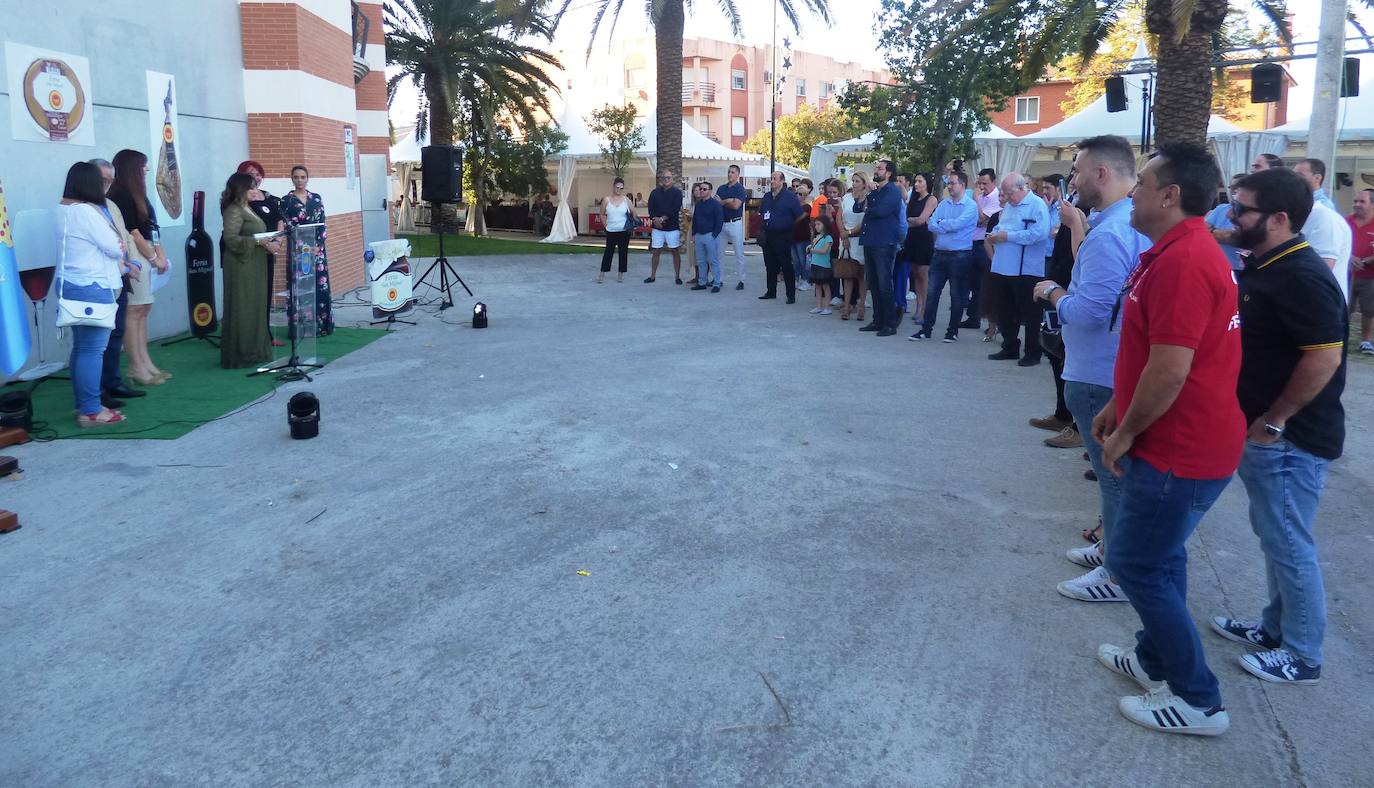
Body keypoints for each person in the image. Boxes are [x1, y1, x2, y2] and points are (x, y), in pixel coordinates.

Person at [1092, 142, 1242, 736]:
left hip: (1181, 447)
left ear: (1170, 195)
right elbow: (1151, 353)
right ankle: (1153, 658)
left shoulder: (1185, 261)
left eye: (1145, 182)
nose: (1134, 192)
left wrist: (1126, 431)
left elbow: (1173, 369)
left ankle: (1198, 698)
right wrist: (1115, 405)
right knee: (1162, 556)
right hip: (1181, 441)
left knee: (1134, 563)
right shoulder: (1174, 251)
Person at [1210, 166, 1347, 687]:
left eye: (1241, 208)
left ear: (1280, 218)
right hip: (1269, 430)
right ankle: (1273, 628)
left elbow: (1323, 358)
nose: (1230, 215)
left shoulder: (1303, 274)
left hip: (1293, 436)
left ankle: (1303, 653)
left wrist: (1275, 420)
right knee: (1273, 535)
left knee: (1289, 540)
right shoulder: (1270, 262)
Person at [1033, 135, 1151, 603]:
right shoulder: (1127, 224)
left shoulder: (1112, 230)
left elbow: (1089, 311)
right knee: (1116, 473)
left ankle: (1118, 572)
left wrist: (1052, 293)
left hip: (1098, 369)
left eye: (1078, 170)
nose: (1073, 180)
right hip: (1110, 366)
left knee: (1113, 474)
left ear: (1101, 173)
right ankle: (1112, 549)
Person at [58, 162, 130, 427]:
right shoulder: (86, 213)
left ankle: (84, 405)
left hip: (72, 284)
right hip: (92, 286)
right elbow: (114, 247)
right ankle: (90, 410)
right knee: (92, 349)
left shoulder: (62, 209)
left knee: (81, 348)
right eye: (102, 182)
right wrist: (119, 246)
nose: (105, 188)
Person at [106, 149, 170, 387]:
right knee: (134, 311)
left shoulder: (139, 194)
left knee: (144, 309)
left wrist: (160, 255)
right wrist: (154, 258)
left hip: (148, 256)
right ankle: (136, 366)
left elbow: (152, 228)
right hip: (135, 256)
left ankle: (146, 362)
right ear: (132, 168)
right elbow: (133, 232)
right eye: (143, 165)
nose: (147, 168)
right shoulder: (119, 195)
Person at [87, 158, 146, 411]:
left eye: (110, 181)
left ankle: (113, 382)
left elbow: (126, 238)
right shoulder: (82, 208)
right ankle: (96, 391)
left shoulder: (111, 204)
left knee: (117, 332)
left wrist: (135, 263)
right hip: (99, 279)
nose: (106, 186)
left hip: (121, 277)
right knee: (98, 339)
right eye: (102, 180)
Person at [1034, 174, 1087, 450]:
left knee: (1070, 355)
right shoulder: (1072, 203)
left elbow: (1084, 251)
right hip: (1058, 281)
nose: (1074, 176)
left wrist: (1075, 221)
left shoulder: (1088, 209)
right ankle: (1062, 413)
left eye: (1079, 170)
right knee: (1055, 351)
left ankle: (1080, 427)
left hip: (1071, 286)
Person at [985, 172, 1051, 366]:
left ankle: (1032, 352)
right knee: (1004, 309)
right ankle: (1010, 345)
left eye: (1009, 193)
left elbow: (1040, 233)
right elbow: (1002, 227)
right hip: (1003, 266)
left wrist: (1009, 236)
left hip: (1026, 269)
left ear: (1023, 188)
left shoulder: (1037, 205)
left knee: (1030, 313)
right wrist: (995, 234)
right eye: (1004, 193)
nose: (1007, 197)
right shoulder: (1009, 207)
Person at [220, 172, 280, 369]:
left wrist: (266, 240)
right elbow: (230, 239)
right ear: (241, 189)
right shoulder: (234, 210)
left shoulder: (247, 208)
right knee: (243, 306)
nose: (256, 191)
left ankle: (256, 350)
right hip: (241, 265)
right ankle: (241, 354)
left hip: (254, 263)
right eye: (252, 187)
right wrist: (258, 241)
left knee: (256, 305)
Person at [912, 170, 976, 342]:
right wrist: (944, 225)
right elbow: (931, 224)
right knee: (932, 293)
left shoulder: (970, 206)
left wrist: (942, 224)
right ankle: (926, 329)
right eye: (948, 183)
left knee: (956, 295)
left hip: (960, 254)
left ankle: (952, 331)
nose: (949, 186)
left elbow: (958, 224)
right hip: (939, 253)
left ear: (962, 185)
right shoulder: (944, 204)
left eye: (952, 183)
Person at [279, 165, 334, 335]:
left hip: (317, 251)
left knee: (319, 285)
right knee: (300, 287)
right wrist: (302, 245)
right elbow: (286, 225)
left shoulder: (316, 199)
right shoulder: (286, 201)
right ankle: (301, 327)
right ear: (292, 179)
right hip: (298, 250)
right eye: (296, 177)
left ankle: (322, 325)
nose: (299, 180)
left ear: (307, 178)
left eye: (303, 177)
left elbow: (322, 222)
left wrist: (318, 244)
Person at [237, 160, 284, 345]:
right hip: (249, 253)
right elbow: (244, 229)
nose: (255, 177)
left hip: (269, 252)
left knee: (265, 293)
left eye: (258, 174)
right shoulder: (238, 199)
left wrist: (278, 241)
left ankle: (265, 334)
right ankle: (247, 337)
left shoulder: (268, 197)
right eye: (250, 174)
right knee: (250, 295)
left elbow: (279, 219)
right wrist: (268, 244)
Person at [1292, 160, 1352, 301]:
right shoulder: (1303, 210)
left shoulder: (1323, 213)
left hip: (1319, 301)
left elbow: (1321, 269)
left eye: (1300, 175)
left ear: (1317, 178)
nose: (1294, 180)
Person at [857, 160, 904, 336]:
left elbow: (880, 211)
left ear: (889, 173)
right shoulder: (874, 191)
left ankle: (890, 323)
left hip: (884, 242)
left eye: (880, 168)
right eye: (876, 168)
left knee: (884, 284)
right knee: (874, 283)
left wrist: (868, 208)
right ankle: (878, 320)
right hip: (870, 240)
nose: (876, 170)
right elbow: (857, 207)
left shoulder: (892, 191)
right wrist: (865, 195)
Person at [758, 171, 803, 303]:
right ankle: (771, 291)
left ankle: (791, 295)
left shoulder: (790, 196)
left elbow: (799, 215)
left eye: (775, 179)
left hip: (783, 235)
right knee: (770, 265)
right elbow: (762, 213)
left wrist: (789, 227)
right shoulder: (767, 196)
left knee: (786, 265)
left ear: (782, 181)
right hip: (768, 234)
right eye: (771, 178)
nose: (772, 181)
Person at [967, 168, 1001, 336]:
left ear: (993, 182)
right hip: (973, 241)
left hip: (984, 243)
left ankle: (989, 320)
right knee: (974, 283)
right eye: (979, 183)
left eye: (985, 183)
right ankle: (973, 316)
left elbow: (982, 219)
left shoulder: (996, 198)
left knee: (985, 284)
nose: (981, 187)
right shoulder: (980, 196)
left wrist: (976, 200)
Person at [903, 173, 937, 321]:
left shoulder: (931, 199)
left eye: (919, 181)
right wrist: (912, 220)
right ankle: (919, 306)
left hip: (924, 238)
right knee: (915, 273)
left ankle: (925, 309)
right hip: (911, 238)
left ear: (927, 183)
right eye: (916, 181)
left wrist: (911, 220)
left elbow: (921, 220)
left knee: (923, 274)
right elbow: (907, 219)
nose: (916, 184)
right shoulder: (914, 199)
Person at [645, 169, 684, 284]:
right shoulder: (654, 192)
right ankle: (652, 276)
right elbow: (650, 207)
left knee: (675, 251)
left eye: (668, 178)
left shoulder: (677, 193)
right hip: (657, 228)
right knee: (656, 251)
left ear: (672, 179)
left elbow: (675, 209)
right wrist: (654, 219)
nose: (666, 180)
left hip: (672, 228)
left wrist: (662, 219)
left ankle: (677, 277)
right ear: (661, 179)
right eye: (664, 178)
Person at [1347, 188, 1374, 353]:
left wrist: (1365, 260)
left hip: (1370, 277)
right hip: (1346, 275)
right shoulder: (1345, 221)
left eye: (1362, 202)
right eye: (1355, 201)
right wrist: (1349, 257)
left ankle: (1365, 341)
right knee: (1344, 308)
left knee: (1369, 310)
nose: (1357, 205)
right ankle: (1340, 336)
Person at [839, 174, 869, 321]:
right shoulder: (846, 198)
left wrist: (850, 232)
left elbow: (865, 220)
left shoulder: (867, 199)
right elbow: (839, 216)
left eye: (858, 181)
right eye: (853, 181)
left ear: (864, 184)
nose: (855, 184)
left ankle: (861, 305)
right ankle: (846, 304)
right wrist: (843, 234)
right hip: (846, 239)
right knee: (847, 274)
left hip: (859, 239)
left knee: (861, 275)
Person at [716, 164, 750, 290]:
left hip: (735, 222)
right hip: (722, 223)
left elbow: (736, 206)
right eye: (729, 172)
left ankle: (741, 279)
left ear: (738, 174)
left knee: (739, 253)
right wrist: (728, 201)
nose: (730, 174)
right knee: (719, 253)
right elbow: (716, 203)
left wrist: (723, 202)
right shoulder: (721, 188)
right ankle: (719, 279)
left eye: (733, 172)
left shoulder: (740, 189)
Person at [1205, 174, 1247, 270]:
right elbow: (1202, 232)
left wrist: (1212, 231)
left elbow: (1236, 238)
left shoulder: (1250, 212)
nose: (1233, 190)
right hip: (1216, 266)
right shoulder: (1221, 208)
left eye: (1237, 186)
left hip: (1239, 268)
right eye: (1231, 187)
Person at [598, 177, 635, 283]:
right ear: (613, 186)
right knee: (608, 252)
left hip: (624, 231)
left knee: (623, 252)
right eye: (617, 187)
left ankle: (621, 274)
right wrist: (605, 226)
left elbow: (634, 212)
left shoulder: (626, 200)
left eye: (621, 188)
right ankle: (602, 273)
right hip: (611, 230)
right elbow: (601, 214)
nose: (619, 189)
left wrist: (631, 223)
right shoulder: (606, 199)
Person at [690, 181, 723, 292]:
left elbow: (719, 221)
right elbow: (695, 220)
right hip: (699, 236)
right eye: (700, 189)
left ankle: (716, 283)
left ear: (710, 191)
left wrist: (714, 235)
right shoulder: (698, 205)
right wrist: (694, 234)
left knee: (713, 261)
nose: (702, 191)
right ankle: (702, 282)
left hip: (710, 236)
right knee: (701, 261)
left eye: (704, 189)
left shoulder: (715, 205)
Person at [892, 172, 912, 315]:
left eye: (901, 180)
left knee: (900, 274)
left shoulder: (904, 198)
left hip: (902, 242)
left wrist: (903, 240)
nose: (898, 183)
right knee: (896, 274)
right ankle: (897, 302)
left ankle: (899, 303)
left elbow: (903, 224)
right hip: (896, 241)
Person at [807, 216, 835, 314]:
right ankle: (819, 306)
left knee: (825, 286)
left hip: (824, 265)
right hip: (815, 264)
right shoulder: (817, 237)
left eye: (819, 224)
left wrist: (813, 250)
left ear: (825, 225)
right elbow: (815, 247)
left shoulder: (828, 238)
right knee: (818, 286)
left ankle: (827, 307)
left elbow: (824, 251)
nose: (816, 227)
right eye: (816, 225)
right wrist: (810, 247)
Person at [791, 179, 814, 292]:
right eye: (796, 193)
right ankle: (796, 278)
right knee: (795, 260)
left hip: (802, 236)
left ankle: (806, 280)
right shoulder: (793, 206)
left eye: (800, 194)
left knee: (803, 259)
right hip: (793, 236)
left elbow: (798, 218)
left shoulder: (807, 207)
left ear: (805, 195)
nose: (798, 196)